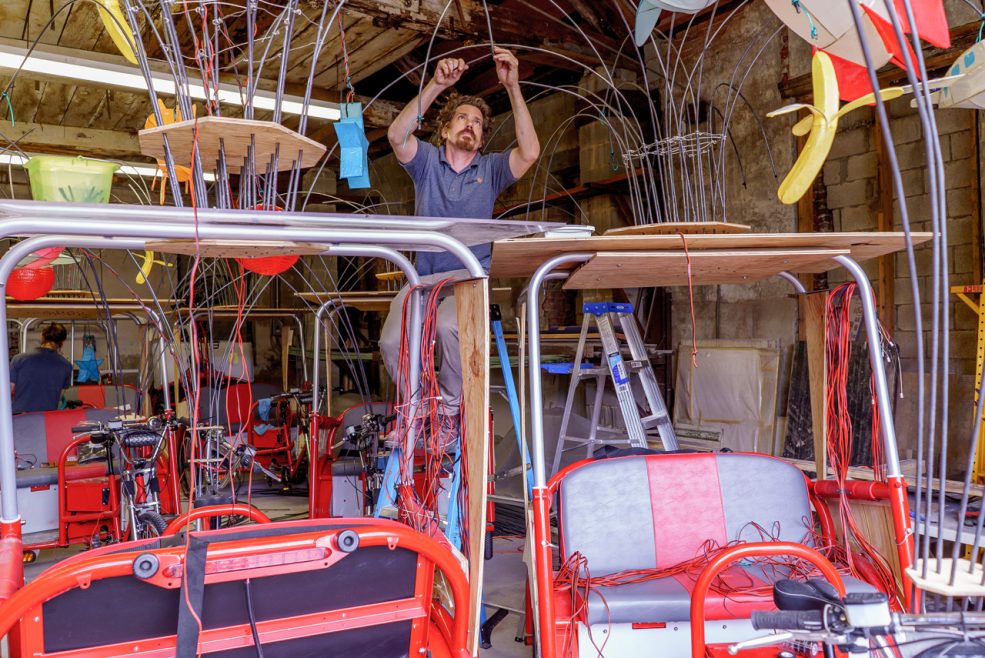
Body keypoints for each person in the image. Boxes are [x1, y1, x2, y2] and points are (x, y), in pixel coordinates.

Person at [382, 47, 540, 425]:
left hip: (467, 280)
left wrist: (513, 87)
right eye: (462, 118)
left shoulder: (492, 168)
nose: (470, 125)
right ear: (446, 129)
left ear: (482, 138)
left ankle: (450, 411)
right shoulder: (425, 165)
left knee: (450, 327)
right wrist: (437, 85)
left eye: (478, 123)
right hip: (422, 280)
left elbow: (530, 152)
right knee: (391, 341)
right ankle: (418, 406)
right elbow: (396, 134)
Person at [10, 322, 74, 414]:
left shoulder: (19, 359)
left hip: (19, 417)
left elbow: (8, 391)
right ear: (62, 342)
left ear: (42, 337)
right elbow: (59, 397)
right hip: (46, 418)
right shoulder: (66, 365)